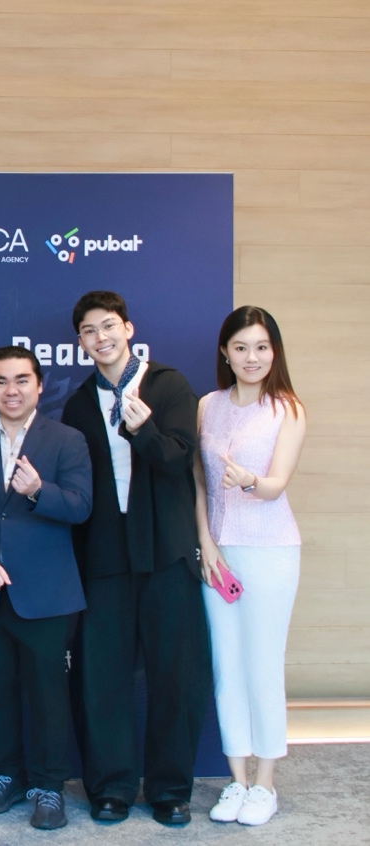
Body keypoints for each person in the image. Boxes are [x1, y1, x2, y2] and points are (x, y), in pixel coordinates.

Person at [59, 290, 212, 825]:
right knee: (102, 677)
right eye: (88, 331)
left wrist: (143, 429)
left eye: (107, 326)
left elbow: (180, 460)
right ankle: (111, 787)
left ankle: (170, 789)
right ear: (80, 342)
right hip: (104, 557)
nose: (99, 338)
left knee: (176, 675)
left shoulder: (167, 385)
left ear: (127, 328)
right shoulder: (79, 404)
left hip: (166, 550)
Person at [0, 345, 92, 831]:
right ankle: (7, 776)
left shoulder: (67, 440)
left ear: (39, 385)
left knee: (49, 697)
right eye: (0, 381)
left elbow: (81, 507)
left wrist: (38, 492)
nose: (11, 390)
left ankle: (49, 786)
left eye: (21, 380)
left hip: (47, 596)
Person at [194, 306, 306, 827]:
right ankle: (236, 780)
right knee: (227, 667)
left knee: (262, 665)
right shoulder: (208, 405)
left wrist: (249, 482)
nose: (252, 357)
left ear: (274, 351)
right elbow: (198, 481)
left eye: (261, 347)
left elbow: (276, 484)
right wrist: (206, 544)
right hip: (219, 554)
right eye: (241, 347)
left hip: (270, 551)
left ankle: (265, 784)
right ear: (225, 352)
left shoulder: (287, 408)